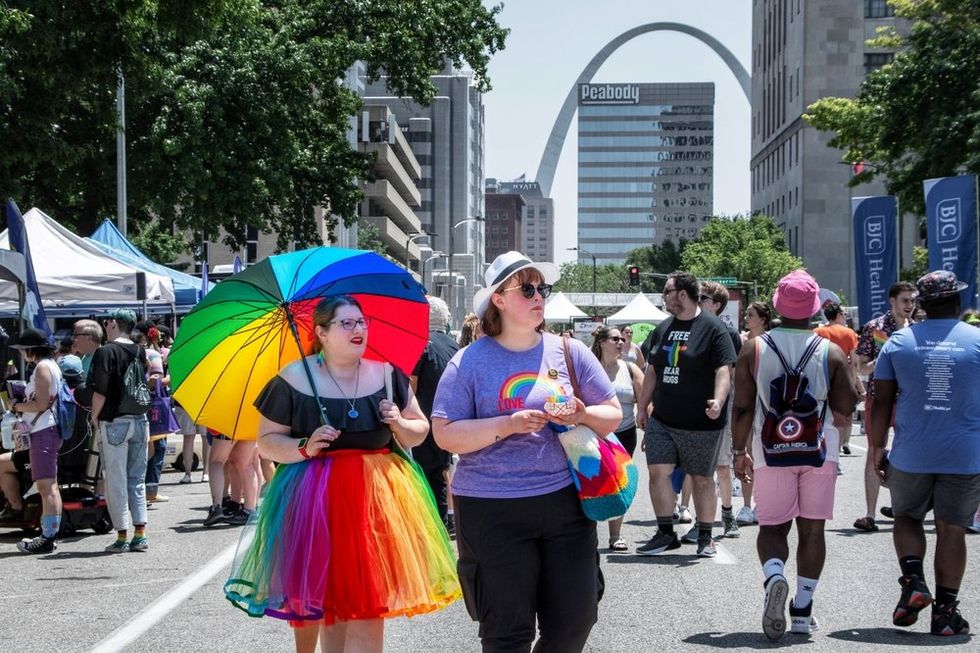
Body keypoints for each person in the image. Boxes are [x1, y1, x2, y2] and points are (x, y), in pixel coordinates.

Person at [224, 295, 458, 653]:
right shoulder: (294, 378)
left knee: (367, 602)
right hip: (313, 501)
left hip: (375, 502)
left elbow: (420, 430)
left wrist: (398, 422)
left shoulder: (387, 373)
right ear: (321, 332)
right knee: (328, 603)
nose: (358, 329)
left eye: (361, 322)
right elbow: (267, 442)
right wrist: (305, 445)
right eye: (346, 323)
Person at [432, 251, 621, 652]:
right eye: (528, 289)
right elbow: (444, 433)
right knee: (507, 632)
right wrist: (507, 424)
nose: (539, 297)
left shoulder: (569, 351)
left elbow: (613, 415)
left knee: (576, 620)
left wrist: (582, 412)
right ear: (498, 299)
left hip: (565, 502)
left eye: (543, 289)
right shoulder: (468, 362)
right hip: (490, 507)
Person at [732, 270, 858, 640]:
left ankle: (774, 576)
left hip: (770, 449)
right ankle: (802, 608)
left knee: (772, 526)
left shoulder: (753, 347)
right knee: (812, 528)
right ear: (815, 308)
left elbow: (741, 408)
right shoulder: (830, 350)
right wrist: (847, 372)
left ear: (776, 305)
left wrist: (739, 451)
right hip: (820, 448)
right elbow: (845, 407)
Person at [869, 270, 980, 637]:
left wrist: (876, 448)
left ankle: (914, 581)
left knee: (907, 517)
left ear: (921, 305)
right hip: (964, 454)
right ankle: (946, 613)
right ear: (958, 302)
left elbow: (880, 400)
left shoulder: (898, 343)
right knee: (952, 530)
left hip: (911, 452)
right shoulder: (977, 341)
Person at [636, 271, 737, 558]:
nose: (663, 297)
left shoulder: (713, 329)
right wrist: (643, 407)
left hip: (702, 422)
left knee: (702, 478)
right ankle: (666, 533)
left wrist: (718, 401)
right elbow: (652, 371)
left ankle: (706, 536)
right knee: (658, 472)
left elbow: (723, 371)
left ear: (682, 294)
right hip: (664, 419)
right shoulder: (663, 328)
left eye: (667, 291)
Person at [853, 281, 917, 532]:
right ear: (892, 301)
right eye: (905, 300)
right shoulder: (876, 328)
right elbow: (862, 367)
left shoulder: (918, 329)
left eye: (912, 300)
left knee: (908, 450)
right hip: (880, 397)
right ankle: (869, 514)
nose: (909, 305)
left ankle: (901, 506)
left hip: (910, 398)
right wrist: (886, 358)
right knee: (874, 449)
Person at [89, 308, 151, 553]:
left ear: (114, 323)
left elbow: (100, 389)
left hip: (114, 422)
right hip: (139, 420)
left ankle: (122, 535)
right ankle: (140, 533)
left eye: (107, 321)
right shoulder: (139, 350)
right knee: (137, 478)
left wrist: (94, 416)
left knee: (115, 478)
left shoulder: (106, 351)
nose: (105, 325)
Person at [9, 328, 64, 554]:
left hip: (43, 430)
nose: (22, 354)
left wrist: (17, 406)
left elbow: (40, 404)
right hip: (48, 429)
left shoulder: (42, 367)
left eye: (23, 349)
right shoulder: (51, 366)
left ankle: (47, 537)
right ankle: (50, 534)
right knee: (50, 485)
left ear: (32, 349)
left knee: (46, 486)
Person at [591, 324, 643, 552]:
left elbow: (644, 403)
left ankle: (615, 536)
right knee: (591, 483)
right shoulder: (588, 368)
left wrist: (648, 430)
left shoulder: (630, 369)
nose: (621, 342)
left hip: (624, 432)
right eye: (615, 339)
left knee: (619, 484)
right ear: (602, 342)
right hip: (594, 433)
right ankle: (587, 535)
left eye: (622, 339)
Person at [698, 280, 743, 539]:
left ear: (716, 305)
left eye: (703, 298)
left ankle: (728, 514)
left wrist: (730, 407)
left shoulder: (729, 334)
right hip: (694, 408)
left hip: (721, 410)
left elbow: (733, 377)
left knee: (722, 468)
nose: (698, 301)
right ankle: (700, 520)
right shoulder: (691, 329)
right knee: (698, 471)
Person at [410, 296, 459, 531]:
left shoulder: (421, 344)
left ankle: (430, 529)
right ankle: (442, 526)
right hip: (449, 421)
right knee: (439, 476)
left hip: (423, 423)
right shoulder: (452, 345)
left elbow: (411, 386)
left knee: (422, 478)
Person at [736, 301, 772, 526]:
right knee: (745, 452)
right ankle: (747, 505)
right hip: (745, 400)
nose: (747, 318)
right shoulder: (741, 340)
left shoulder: (772, 342)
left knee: (764, 455)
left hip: (767, 402)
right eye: (746, 314)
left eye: (751, 315)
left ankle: (763, 504)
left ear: (763, 319)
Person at [813, 302, 861, 456]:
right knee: (843, 416)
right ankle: (837, 450)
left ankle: (823, 447)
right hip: (842, 379)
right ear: (839, 315)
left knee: (822, 415)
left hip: (821, 378)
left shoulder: (817, 331)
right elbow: (854, 362)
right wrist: (853, 383)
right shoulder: (849, 333)